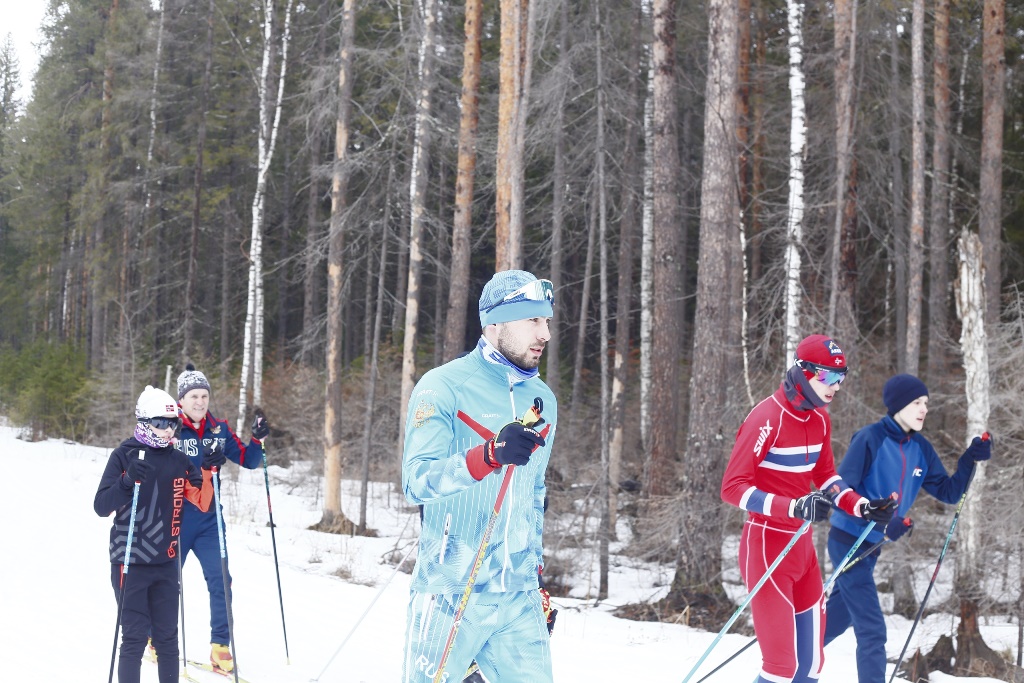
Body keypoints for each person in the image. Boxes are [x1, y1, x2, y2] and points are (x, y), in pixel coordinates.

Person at [402, 270, 558, 683]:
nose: (544, 333)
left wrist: (536, 574)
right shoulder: (444, 386)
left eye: (546, 321)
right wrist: (487, 455)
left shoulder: (544, 401)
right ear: (495, 323)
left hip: (517, 596)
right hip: (449, 591)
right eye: (532, 321)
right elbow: (416, 480)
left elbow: (535, 492)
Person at [720, 334, 896, 683]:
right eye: (828, 377)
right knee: (781, 667)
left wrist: (861, 507)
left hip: (802, 549)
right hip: (767, 546)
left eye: (841, 377)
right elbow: (732, 488)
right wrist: (793, 506)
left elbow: (827, 476)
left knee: (811, 665)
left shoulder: (819, 421)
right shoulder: (766, 418)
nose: (835, 386)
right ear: (802, 372)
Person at [824, 373, 992, 683]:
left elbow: (949, 492)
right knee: (873, 630)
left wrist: (969, 459)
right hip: (847, 539)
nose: (924, 409)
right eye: (917, 402)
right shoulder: (870, 438)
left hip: (872, 546)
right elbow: (841, 492)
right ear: (898, 405)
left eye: (926, 403)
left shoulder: (921, 449)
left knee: (837, 618)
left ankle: (789, 659)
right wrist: (886, 520)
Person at [94, 386, 218, 683]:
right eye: (160, 423)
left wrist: (209, 469)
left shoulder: (178, 460)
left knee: (167, 640)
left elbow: (201, 501)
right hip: (130, 562)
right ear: (144, 420)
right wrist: (126, 481)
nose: (167, 430)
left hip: (165, 562)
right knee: (135, 638)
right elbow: (101, 506)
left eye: (172, 423)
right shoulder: (125, 455)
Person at [174, 363, 270, 673]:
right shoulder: (170, 426)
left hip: (209, 521)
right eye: (194, 396)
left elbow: (249, 461)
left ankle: (220, 647)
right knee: (166, 581)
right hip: (175, 517)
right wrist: (201, 464)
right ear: (182, 400)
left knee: (222, 581)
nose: (200, 402)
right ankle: (153, 636)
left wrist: (258, 439)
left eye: (204, 395)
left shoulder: (220, 429)